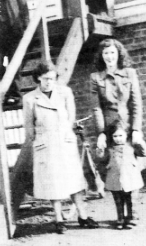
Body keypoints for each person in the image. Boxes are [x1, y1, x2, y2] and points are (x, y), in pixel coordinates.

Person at [23, 60, 99, 234]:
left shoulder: (65, 93)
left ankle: (83, 216)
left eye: (52, 78)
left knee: (74, 180)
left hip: (65, 142)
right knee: (53, 183)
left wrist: (67, 134)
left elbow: (70, 117)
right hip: (46, 145)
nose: (49, 82)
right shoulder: (29, 99)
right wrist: (38, 142)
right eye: (45, 79)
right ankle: (58, 219)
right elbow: (28, 127)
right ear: (38, 79)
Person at [90, 38, 146, 220]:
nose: (109, 57)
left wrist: (137, 129)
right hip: (109, 128)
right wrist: (101, 132)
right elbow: (96, 107)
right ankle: (120, 214)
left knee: (133, 166)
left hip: (129, 127)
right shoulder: (95, 78)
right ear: (101, 56)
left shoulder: (129, 73)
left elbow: (136, 103)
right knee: (114, 167)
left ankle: (133, 212)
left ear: (118, 54)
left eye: (112, 53)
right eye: (106, 53)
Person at [97, 119, 145, 229]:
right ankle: (120, 218)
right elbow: (101, 158)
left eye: (120, 135)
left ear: (126, 135)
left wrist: (139, 141)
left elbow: (143, 152)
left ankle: (131, 218)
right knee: (118, 199)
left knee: (130, 199)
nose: (118, 139)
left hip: (130, 177)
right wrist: (100, 148)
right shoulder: (110, 148)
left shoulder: (132, 146)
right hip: (115, 177)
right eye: (115, 136)